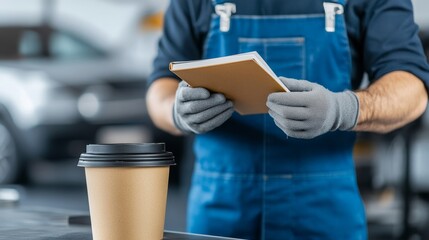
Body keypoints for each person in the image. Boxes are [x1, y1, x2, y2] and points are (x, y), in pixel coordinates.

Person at [146, 0, 429, 239]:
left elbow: (412, 90)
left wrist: (344, 109)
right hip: (220, 211)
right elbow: (161, 86)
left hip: (324, 210)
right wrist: (175, 110)